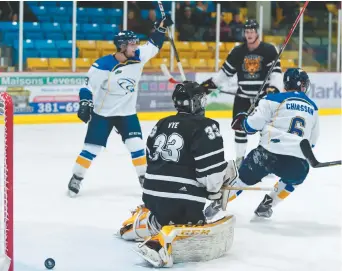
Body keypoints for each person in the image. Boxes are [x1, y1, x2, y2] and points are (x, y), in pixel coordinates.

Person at [118, 81, 238, 267]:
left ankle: (145, 222)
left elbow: (153, 162)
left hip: (151, 195)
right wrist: (216, 191)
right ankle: (161, 241)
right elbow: (211, 176)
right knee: (228, 169)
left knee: (164, 212)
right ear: (197, 102)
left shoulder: (161, 123)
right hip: (183, 201)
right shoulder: (206, 126)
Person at [67, 17, 174, 197]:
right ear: (122, 46)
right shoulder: (103, 65)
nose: (136, 47)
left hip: (127, 113)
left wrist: (161, 27)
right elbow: (87, 86)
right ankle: (77, 177)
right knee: (91, 149)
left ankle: (143, 178)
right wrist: (85, 102)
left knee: (137, 146)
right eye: (132, 44)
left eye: (136, 44)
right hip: (103, 114)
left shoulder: (138, 57)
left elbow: (154, 44)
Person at [219, 68, 319, 219]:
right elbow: (312, 142)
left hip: (267, 154)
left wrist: (243, 122)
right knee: (295, 178)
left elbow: (252, 125)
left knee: (242, 180)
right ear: (303, 85)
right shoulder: (313, 108)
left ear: (286, 83)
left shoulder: (272, 99)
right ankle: (268, 204)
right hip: (297, 162)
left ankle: (218, 204)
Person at [201, 19, 283, 167]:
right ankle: (240, 161)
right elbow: (224, 75)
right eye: (247, 31)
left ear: (257, 32)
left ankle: (263, 162)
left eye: (252, 31)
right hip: (242, 98)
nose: (249, 34)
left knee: (265, 131)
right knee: (239, 129)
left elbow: (276, 74)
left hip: (262, 100)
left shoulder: (269, 50)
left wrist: (274, 89)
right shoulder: (238, 52)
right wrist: (205, 88)